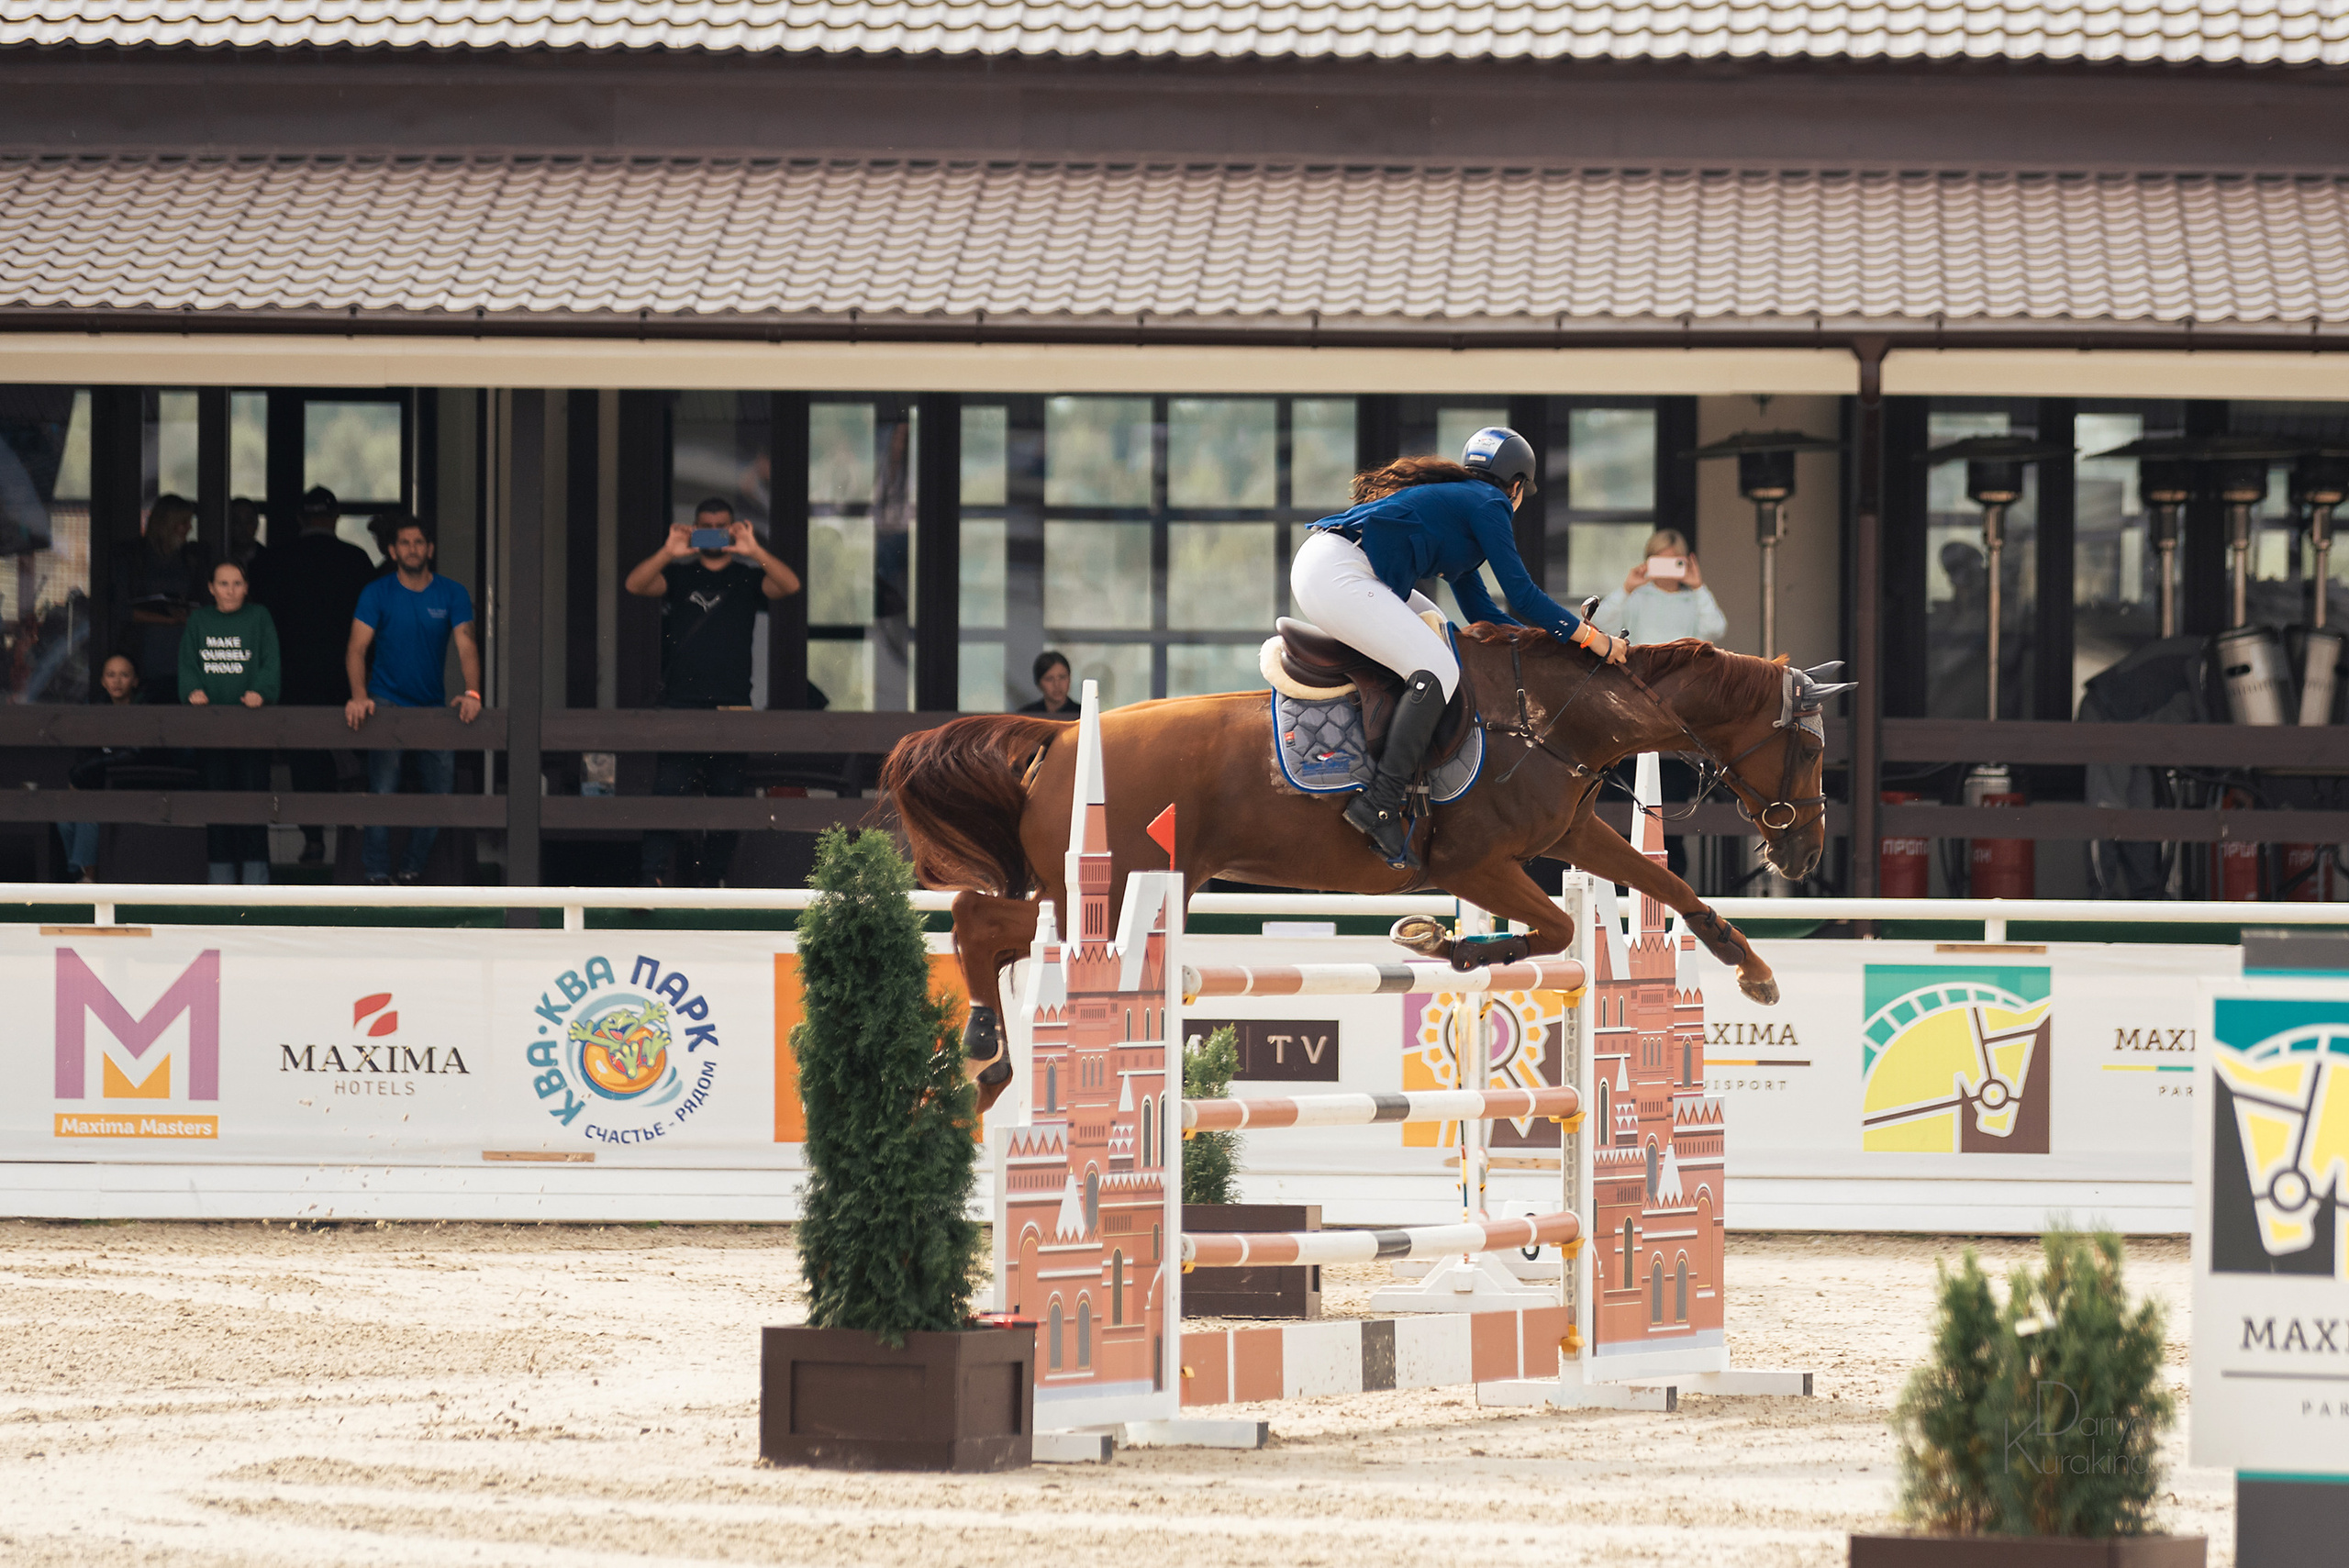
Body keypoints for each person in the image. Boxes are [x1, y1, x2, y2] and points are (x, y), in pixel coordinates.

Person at [1294, 428, 1627, 869]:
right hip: (1337, 571)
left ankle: (1408, 777)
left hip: (1339, 567)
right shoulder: (1489, 504)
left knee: (1444, 638)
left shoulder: (1462, 502)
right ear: (1516, 487)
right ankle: (1379, 802)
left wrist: (1553, 646)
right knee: (1437, 669)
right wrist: (1591, 639)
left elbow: (1481, 613)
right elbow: (1522, 595)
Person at [622, 497, 802, 886]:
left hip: (732, 703)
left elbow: (790, 585)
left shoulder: (747, 577)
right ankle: (651, 877)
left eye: (722, 527)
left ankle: (714, 880)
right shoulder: (680, 576)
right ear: (694, 528)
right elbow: (636, 584)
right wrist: (668, 552)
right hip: (680, 703)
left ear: (733, 528)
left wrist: (754, 551)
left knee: (729, 796)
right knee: (667, 791)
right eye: (706, 526)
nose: (714, 533)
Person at [344, 514, 482, 885]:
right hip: (385, 701)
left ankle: (410, 870)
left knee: (440, 793)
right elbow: (356, 649)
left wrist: (472, 693)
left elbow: (466, 644)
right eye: (404, 543)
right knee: (383, 792)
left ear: (430, 549)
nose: (412, 549)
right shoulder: (377, 593)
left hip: (433, 705)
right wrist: (359, 697)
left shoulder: (452, 592)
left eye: (419, 542)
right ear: (392, 551)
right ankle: (375, 875)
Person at [251, 484, 378, 864]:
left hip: (294, 674)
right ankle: (354, 842)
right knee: (354, 754)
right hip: (348, 675)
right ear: (336, 518)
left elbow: (259, 623)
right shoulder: (356, 560)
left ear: (299, 519)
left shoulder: (274, 560)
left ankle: (314, 839)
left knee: (306, 757)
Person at [181, 560, 282, 884]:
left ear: (247, 587)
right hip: (211, 731)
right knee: (216, 805)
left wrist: (262, 691)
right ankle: (219, 884)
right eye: (223, 584)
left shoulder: (259, 617)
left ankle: (256, 885)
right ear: (211, 588)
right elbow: (187, 663)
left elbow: (271, 661)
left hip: (253, 728)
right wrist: (192, 690)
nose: (230, 590)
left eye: (237, 583)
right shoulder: (199, 621)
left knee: (254, 803)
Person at [57, 652, 143, 882]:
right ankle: (79, 872)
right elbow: (85, 756)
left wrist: (80, 777)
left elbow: (133, 757)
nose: (117, 681)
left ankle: (90, 880)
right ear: (103, 681)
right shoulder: (93, 711)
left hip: (130, 788)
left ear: (135, 680)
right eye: (111, 675)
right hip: (94, 788)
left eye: (124, 675)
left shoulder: (143, 712)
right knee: (63, 817)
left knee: (89, 813)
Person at [116, 493, 207, 705]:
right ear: (167, 524)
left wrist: (188, 614)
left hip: (183, 648)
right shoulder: (135, 558)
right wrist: (166, 619)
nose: (189, 529)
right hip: (147, 649)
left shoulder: (191, 558)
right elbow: (121, 610)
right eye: (183, 523)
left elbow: (204, 601)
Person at [1593, 529, 1728, 647]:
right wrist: (1626, 589)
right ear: (1648, 561)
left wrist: (1698, 588)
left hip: (1682, 672)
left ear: (1683, 561)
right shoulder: (1636, 596)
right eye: (1660, 561)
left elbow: (1715, 630)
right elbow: (1601, 624)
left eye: (1672, 561)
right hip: (1641, 672)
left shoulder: (1694, 600)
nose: (1666, 567)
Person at [1018, 651, 1074, 715]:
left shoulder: (1082, 713)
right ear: (1038, 683)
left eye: (1062, 677)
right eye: (1049, 679)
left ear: (1069, 678)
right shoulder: (1027, 715)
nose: (1057, 685)